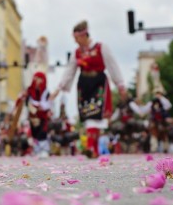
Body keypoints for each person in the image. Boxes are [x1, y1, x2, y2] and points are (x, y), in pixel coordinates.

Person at [51, 20, 127, 158]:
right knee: (88, 115)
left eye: (77, 38)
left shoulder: (101, 47)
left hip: (98, 83)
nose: (76, 42)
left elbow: (112, 65)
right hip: (84, 84)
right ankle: (93, 149)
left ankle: (91, 146)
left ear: (84, 35)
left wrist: (120, 85)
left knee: (96, 115)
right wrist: (58, 88)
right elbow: (69, 71)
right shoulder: (77, 53)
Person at [23, 71, 51, 157]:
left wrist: (41, 106)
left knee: (42, 132)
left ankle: (44, 150)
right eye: (36, 78)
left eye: (40, 79)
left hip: (43, 116)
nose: (38, 81)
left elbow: (48, 103)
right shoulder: (30, 91)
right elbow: (27, 102)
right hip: (33, 116)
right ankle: (37, 150)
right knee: (34, 132)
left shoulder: (46, 92)